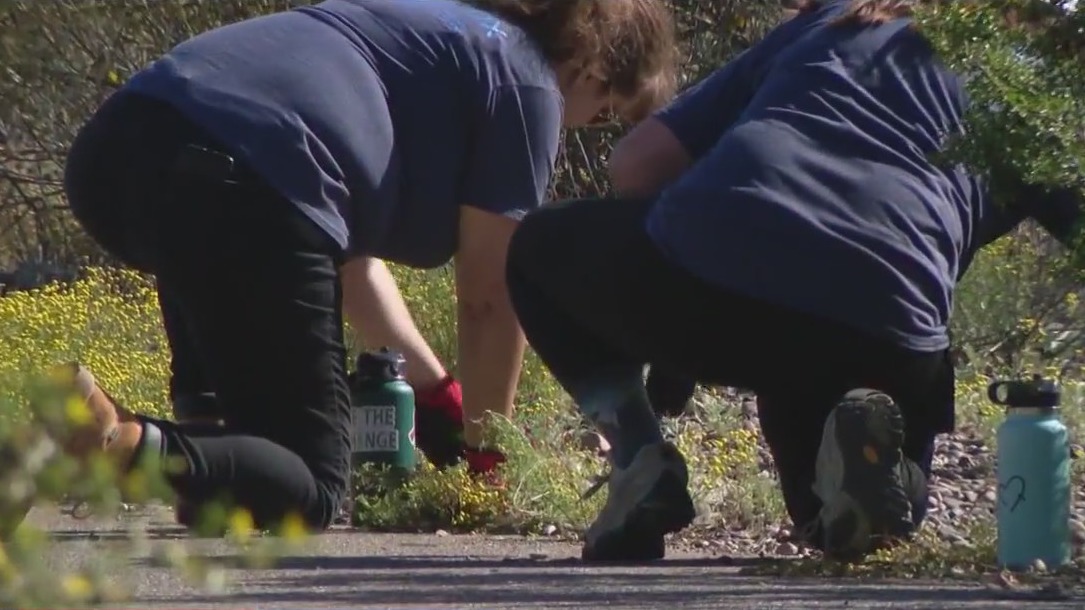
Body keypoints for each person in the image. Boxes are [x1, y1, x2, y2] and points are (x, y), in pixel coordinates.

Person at [29, 0, 677, 534]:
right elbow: (488, 295)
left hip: (119, 155)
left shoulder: (433, 29)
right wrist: (488, 458)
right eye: (605, 114)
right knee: (310, 487)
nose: (588, 126)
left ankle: (30, 458)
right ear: (593, 68)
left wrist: (436, 392)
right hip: (241, 184)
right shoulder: (527, 81)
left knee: (229, 483)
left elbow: (346, 264)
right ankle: (117, 440)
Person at [505, 0, 1084, 562]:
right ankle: (872, 465)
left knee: (537, 246)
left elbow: (637, 164)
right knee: (842, 512)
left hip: (730, 293)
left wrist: (670, 316)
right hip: (891, 323)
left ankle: (639, 463)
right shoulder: (1027, 90)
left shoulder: (839, 20)